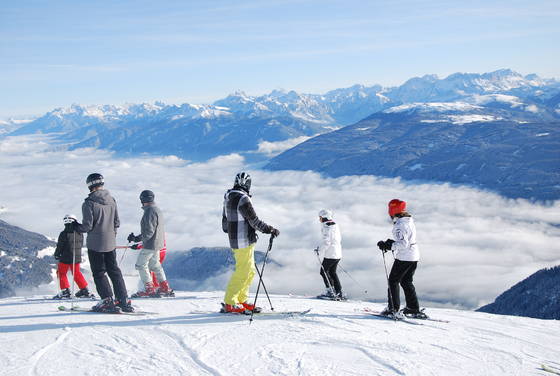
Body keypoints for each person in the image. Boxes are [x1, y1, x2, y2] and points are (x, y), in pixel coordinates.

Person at [221, 172, 280, 313]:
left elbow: (224, 224)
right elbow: (254, 221)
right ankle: (230, 301)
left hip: (235, 240)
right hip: (244, 241)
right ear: (248, 184)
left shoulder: (228, 197)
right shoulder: (243, 199)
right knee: (243, 272)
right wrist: (270, 230)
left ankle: (241, 299)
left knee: (250, 271)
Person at [75, 173, 134, 313]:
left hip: (95, 244)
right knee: (114, 271)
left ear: (89, 185)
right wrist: (111, 235)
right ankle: (123, 300)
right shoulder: (112, 200)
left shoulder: (89, 203)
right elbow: (117, 222)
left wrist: (75, 226)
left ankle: (107, 300)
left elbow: (87, 226)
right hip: (110, 242)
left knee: (99, 272)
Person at [377, 199, 425, 318]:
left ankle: (393, 309)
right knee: (406, 281)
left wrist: (388, 246)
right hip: (414, 255)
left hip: (405, 257)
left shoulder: (400, 225)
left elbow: (403, 244)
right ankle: (413, 308)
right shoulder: (408, 220)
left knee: (393, 281)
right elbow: (406, 240)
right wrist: (391, 243)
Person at [127, 190, 174, 298]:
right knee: (155, 265)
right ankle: (165, 287)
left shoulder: (149, 211)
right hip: (158, 243)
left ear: (142, 200)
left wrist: (138, 239)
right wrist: (137, 239)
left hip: (150, 244)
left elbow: (149, 232)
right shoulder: (157, 210)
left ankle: (149, 289)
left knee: (141, 265)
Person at [52, 214, 93, 299]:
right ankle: (84, 290)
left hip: (65, 257)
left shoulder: (64, 233)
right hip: (76, 257)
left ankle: (65, 291)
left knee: (61, 273)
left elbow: (60, 245)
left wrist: (57, 254)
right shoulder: (80, 232)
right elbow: (80, 244)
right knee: (76, 273)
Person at [315, 209, 344, 300]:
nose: (319, 219)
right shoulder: (335, 224)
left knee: (323, 271)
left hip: (331, 254)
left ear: (324, 217)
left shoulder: (326, 227)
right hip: (338, 253)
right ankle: (338, 292)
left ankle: (330, 292)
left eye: (320, 217)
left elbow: (326, 242)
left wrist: (319, 250)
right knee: (332, 272)